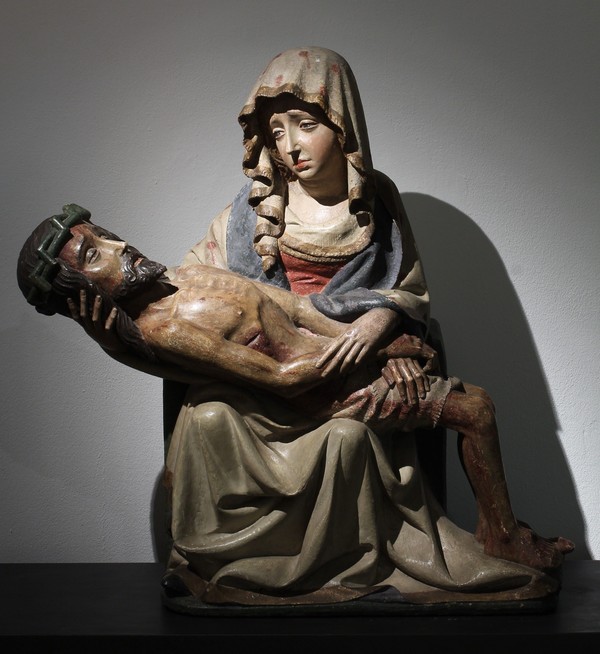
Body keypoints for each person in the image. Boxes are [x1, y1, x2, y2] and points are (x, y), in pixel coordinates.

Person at [18, 205, 573, 609]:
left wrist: (376, 343)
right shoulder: (165, 329)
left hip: (343, 360)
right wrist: (366, 360)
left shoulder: (185, 276)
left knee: (475, 401)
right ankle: (503, 538)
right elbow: (281, 379)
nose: (118, 248)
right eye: (94, 255)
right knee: (475, 412)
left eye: (105, 235)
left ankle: (500, 530)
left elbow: (296, 308)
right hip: (325, 398)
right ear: (83, 296)